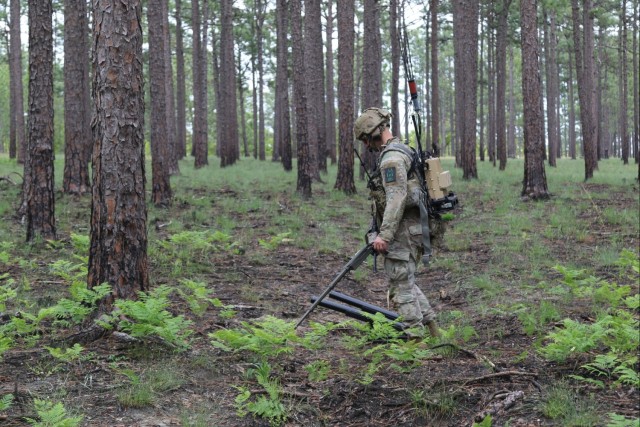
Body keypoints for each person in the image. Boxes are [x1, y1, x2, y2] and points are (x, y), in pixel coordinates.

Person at [354, 107, 441, 338]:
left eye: (365, 139)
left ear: (374, 133)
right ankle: (433, 332)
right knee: (406, 279)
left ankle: (416, 341)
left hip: (403, 231)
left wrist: (385, 235)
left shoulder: (391, 159)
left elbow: (396, 198)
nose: (365, 145)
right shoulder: (403, 149)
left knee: (400, 285)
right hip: (414, 228)